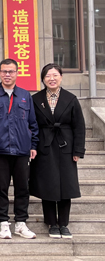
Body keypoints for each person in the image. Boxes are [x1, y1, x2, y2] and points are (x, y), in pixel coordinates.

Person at [0, 58, 39, 239]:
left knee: (22, 188)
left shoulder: (25, 95)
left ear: (16, 73)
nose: (7, 74)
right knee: (1, 187)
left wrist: (33, 144)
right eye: (4, 71)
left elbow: (32, 123)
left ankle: (21, 223)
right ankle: (3, 223)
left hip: (22, 149)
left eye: (11, 71)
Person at [31, 63, 85, 239]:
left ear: (61, 77)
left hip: (65, 146)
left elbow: (79, 126)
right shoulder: (36, 99)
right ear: (43, 79)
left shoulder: (71, 99)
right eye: (48, 76)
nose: (51, 79)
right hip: (44, 146)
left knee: (65, 186)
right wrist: (32, 146)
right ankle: (51, 223)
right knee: (47, 185)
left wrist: (78, 150)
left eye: (55, 75)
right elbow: (32, 125)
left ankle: (63, 224)